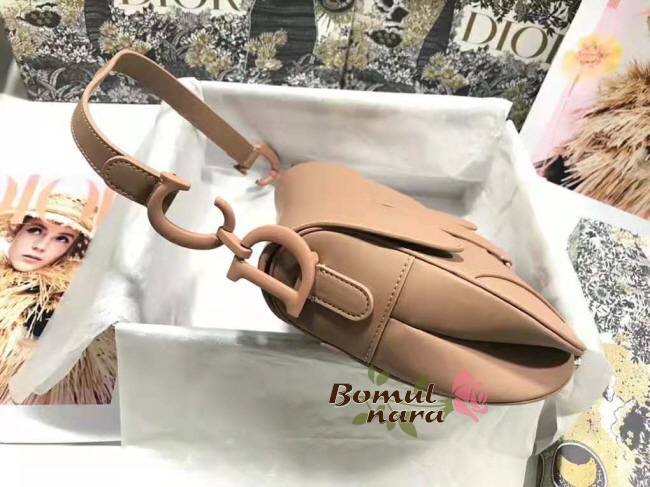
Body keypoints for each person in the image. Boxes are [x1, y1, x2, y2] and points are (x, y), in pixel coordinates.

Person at [0, 193, 116, 405]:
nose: (41, 245)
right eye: (36, 230)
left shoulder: (69, 300)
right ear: (18, 231)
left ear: (70, 249)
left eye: (62, 238)